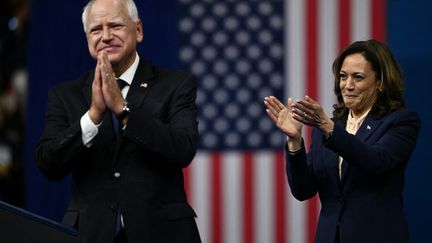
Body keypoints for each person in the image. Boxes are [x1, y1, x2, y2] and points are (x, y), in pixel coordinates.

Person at [34, 0, 201, 242]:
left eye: (115, 26)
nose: (106, 36)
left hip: (162, 233)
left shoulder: (176, 84)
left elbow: (183, 148)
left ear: (138, 30)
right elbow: (47, 163)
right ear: (87, 37)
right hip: (92, 233)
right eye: (96, 29)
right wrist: (92, 117)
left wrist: (124, 111)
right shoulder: (64, 94)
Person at [264, 39, 420, 243]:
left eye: (358, 77)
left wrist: (327, 127)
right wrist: (294, 141)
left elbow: (376, 162)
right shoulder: (328, 128)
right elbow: (303, 190)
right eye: (343, 77)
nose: (348, 85)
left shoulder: (400, 121)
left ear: (380, 82)